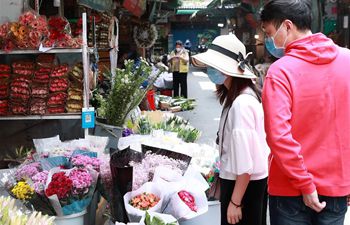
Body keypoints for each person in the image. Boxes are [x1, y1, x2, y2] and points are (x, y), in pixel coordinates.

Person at [260, 1, 350, 225]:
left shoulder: (280, 72)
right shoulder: (347, 61)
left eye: (270, 33)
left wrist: (305, 184)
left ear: (287, 26)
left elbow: (278, 136)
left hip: (289, 191)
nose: (270, 41)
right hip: (336, 187)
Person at [193, 34, 269, 225]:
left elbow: (245, 166)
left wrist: (235, 202)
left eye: (213, 66)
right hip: (249, 186)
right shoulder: (240, 95)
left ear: (226, 69)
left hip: (243, 187)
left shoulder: (241, 104)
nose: (210, 70)